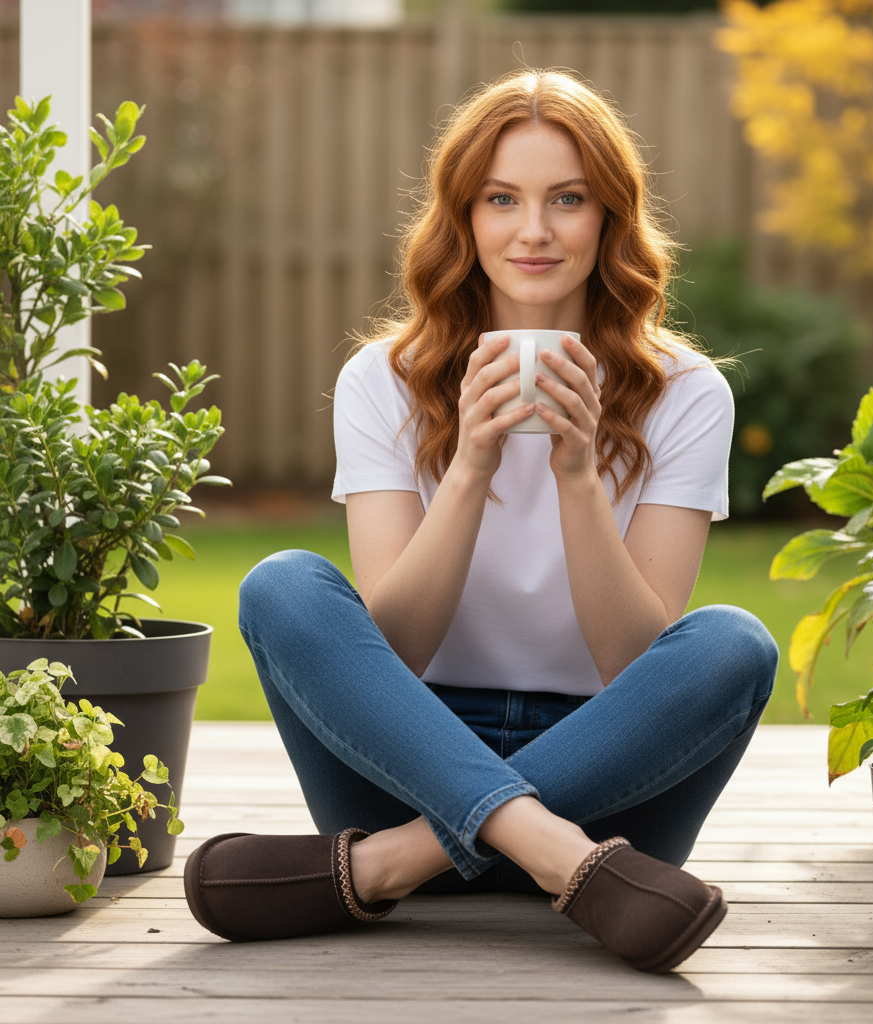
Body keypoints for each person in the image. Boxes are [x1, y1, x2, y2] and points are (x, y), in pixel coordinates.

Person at [183, 69, 778, 974]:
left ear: (610, 219)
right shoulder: (382, 381)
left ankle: (386, 868)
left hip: (611, 779)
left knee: (733, 643)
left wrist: (578, 476)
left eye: (567, 199)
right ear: (462, 219)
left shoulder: (686, 393)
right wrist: (469, 466)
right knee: (282, 586)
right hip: (425, 770)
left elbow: (636, 664)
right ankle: (547, 853)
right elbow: (394, 652)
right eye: (502, 199)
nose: (533, 230)